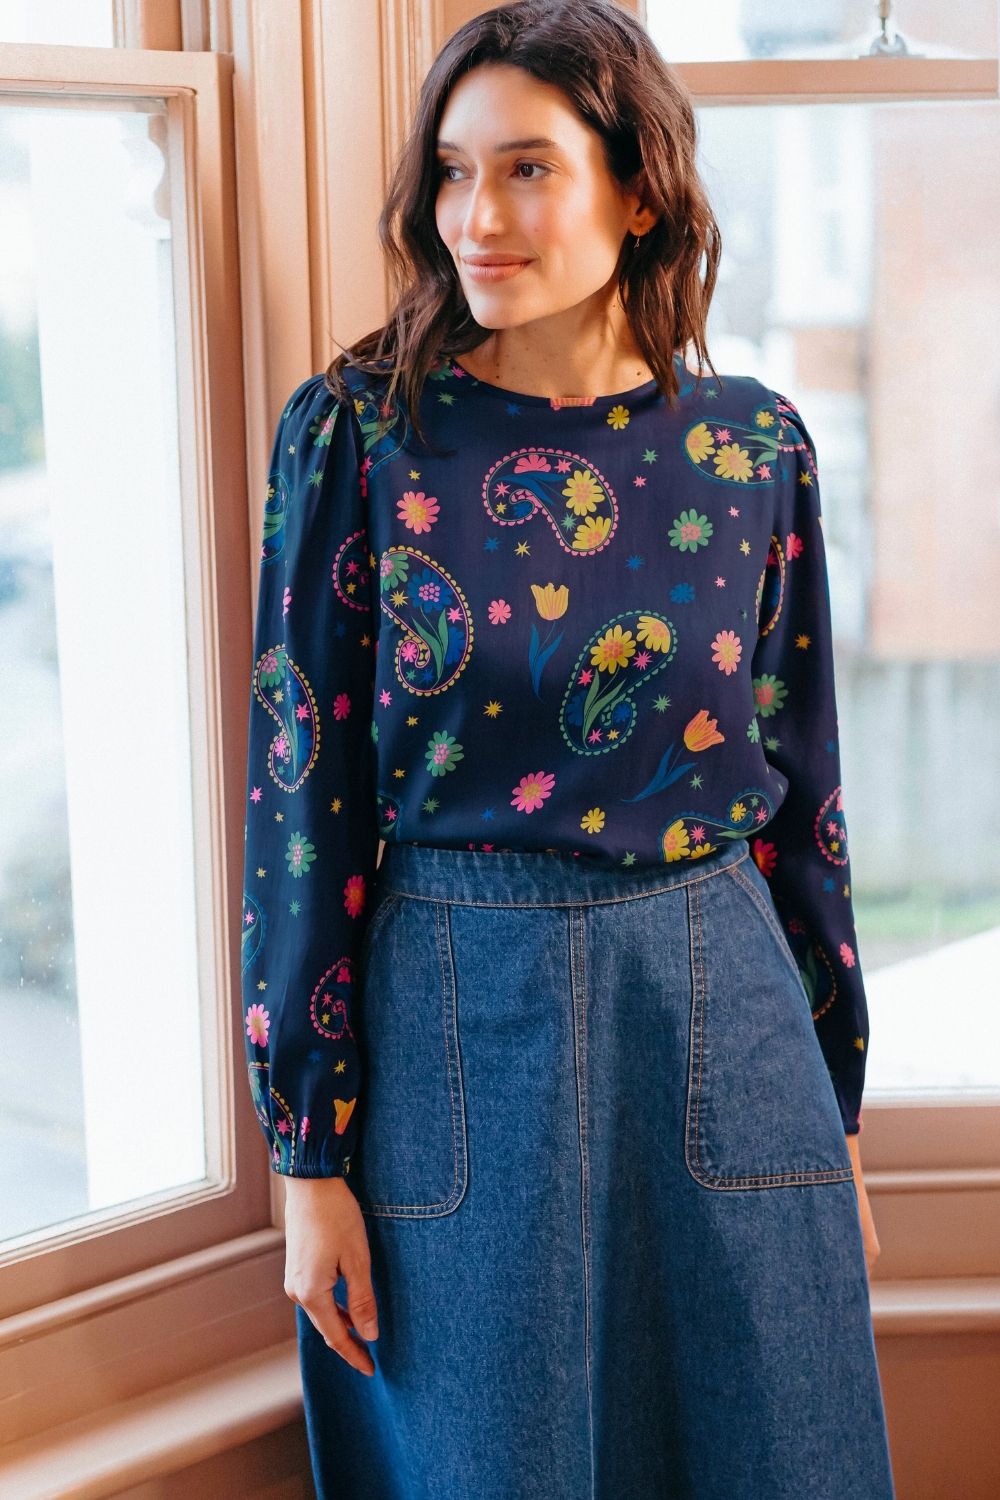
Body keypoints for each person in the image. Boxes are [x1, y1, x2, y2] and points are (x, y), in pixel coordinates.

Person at [239, 2, 896, 1495]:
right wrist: (306, 1154)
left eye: (527, 169)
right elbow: (304, 801)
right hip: (460, 1027)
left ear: (638, 188)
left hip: (727, 1015)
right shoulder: (360, 433)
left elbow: (806, 801)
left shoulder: (752, 446)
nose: (476, 218)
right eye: (454, 174)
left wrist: (833, 1110)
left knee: (781, 1460)